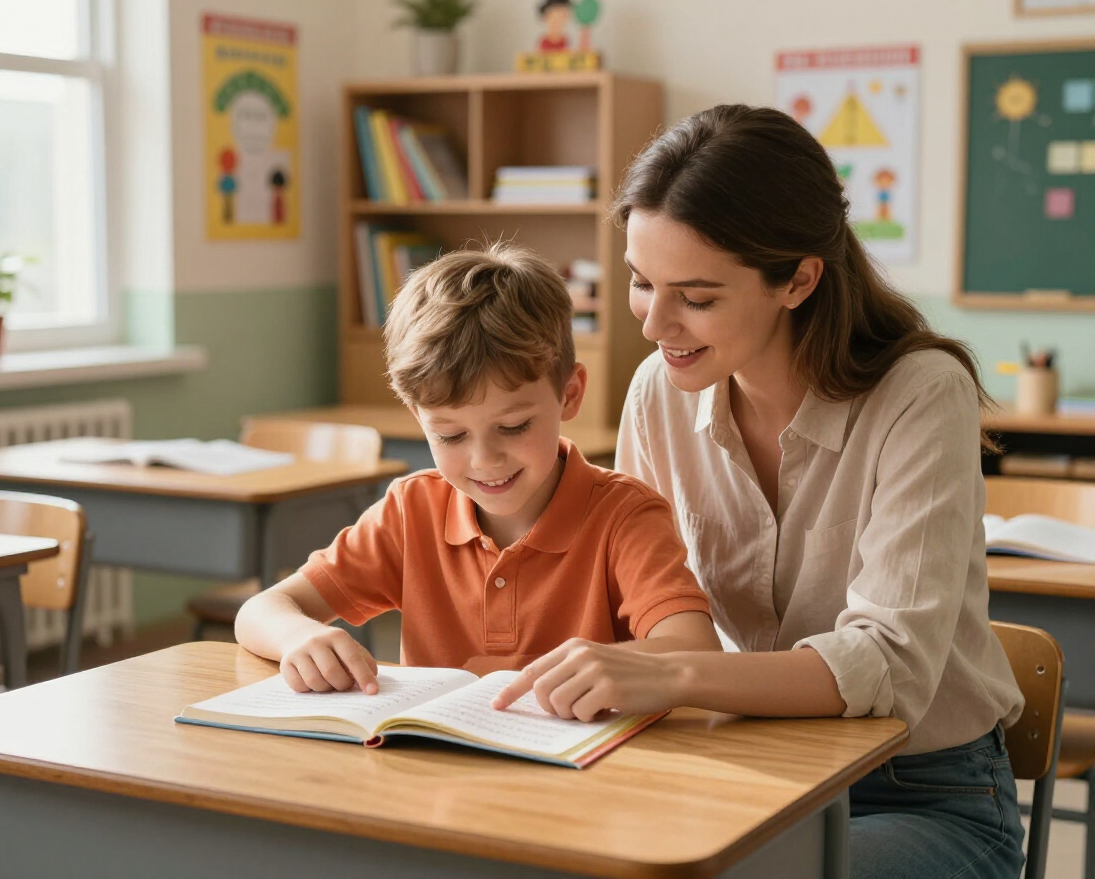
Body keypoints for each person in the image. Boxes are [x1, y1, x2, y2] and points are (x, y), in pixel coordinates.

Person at [493, 105, 1026, 879]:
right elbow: (630, 602)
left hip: (917, 792)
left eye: (696, 297)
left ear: (799, 280)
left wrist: (672, 673)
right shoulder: (658, 393)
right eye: (642, 283)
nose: (655, 325)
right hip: (738, 766)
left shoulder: (921, 393)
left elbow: (890, 665)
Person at [235, 242, 718, 697]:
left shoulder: (625, 516)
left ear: (569, 394)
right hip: (436, 757)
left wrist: (613, 664)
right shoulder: (410, 510)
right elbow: (261, 609)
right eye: (450, 435)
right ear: (419, 418)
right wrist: (298, 636)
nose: (485, 460)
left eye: (513, 426)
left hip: (585, 756)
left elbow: (695, 650)